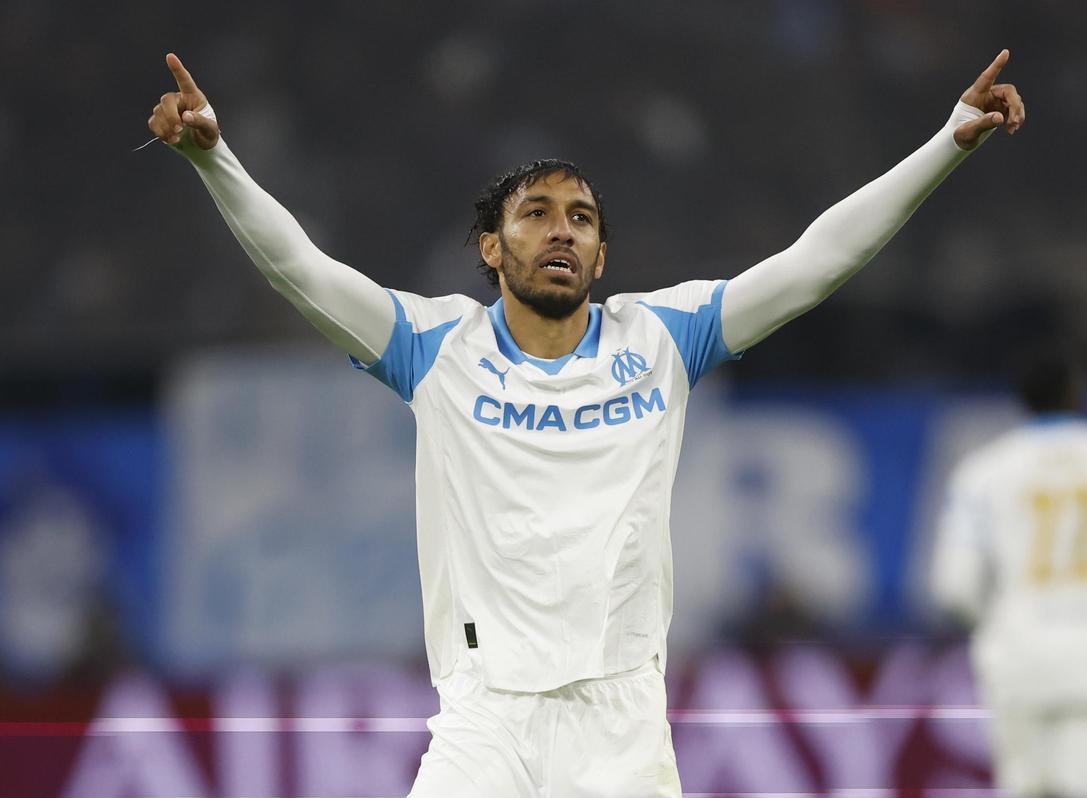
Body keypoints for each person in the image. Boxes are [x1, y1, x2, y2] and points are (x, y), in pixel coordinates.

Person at [148, 49, 1024, 797]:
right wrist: (214, 160)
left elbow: (815, 262)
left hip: (623, 728)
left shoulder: (663, 338)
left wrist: (946, 144)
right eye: (536, 214)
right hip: (486, 721)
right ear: (491, 246)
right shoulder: (435, 347)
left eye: (581, 219)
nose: (560, 232)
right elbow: (300, 269)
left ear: (603, 256)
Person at [931, 349, 1087, 798]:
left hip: (1017, 655)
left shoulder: (981, 473)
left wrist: (1003, 620)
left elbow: (953, 588)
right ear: (1078, 394)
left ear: (1022, 401)